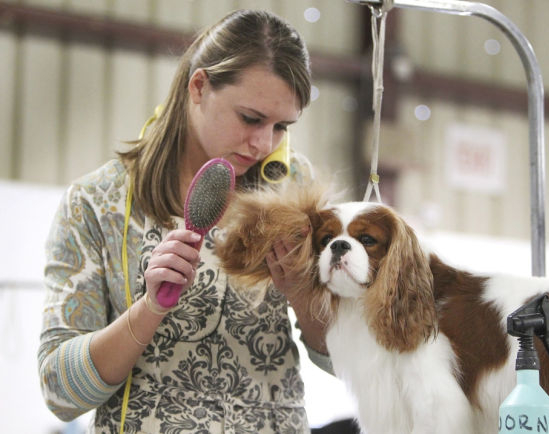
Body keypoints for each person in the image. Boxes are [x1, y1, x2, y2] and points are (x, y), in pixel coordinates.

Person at [38, 9, 332, 433]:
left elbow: (351, 362)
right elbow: (59, 392)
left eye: (282, 126)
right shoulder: (96, 203)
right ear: (199, 86)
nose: (264, 143)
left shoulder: (297, 188)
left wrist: (305, 297)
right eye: (250, 118)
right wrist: (149, 309)